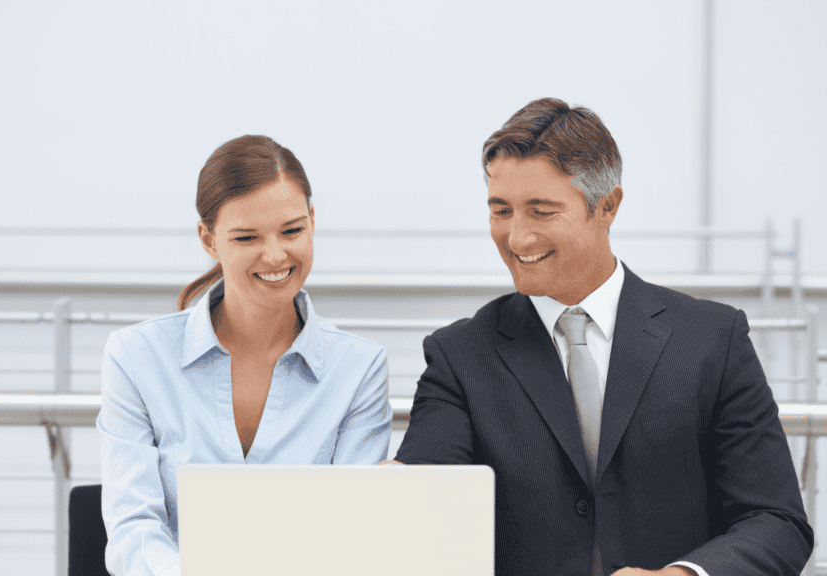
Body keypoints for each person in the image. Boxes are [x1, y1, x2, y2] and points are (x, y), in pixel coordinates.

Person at [389, 98, 813, 575]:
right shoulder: (460, 355)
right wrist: (394, 496)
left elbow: (775, 520)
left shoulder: (713, 339)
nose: (516, 237)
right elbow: (425, 489)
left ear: (607, 206)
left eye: (541, 211)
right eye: (501, 210)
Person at [98, 135, 392, 576]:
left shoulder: (359, 369)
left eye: (292, 230)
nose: (275, 255)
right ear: (209, 239)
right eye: (246, 237)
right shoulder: (136, 358)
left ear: (313, 220)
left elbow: (350, 535)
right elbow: (134, 529)